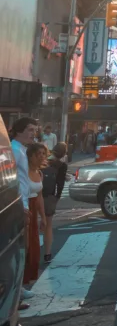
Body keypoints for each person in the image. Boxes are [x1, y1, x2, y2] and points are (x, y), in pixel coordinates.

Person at [9, 118, 36, 302]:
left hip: (23, 202)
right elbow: (10, 180)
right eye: (29, 129)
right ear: (18, 131)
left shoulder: (21, 149)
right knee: (19, 249)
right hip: (19, 205)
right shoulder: (15, 150)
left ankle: (18, 289)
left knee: (22, 249)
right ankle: (14, 294)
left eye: (35, 130)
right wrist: (20, 205)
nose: (33, 133)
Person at [23, 142, 47, 296]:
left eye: (44, 154)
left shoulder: (39, 173)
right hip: (24, 210)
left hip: (34, 211)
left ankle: (25, 282)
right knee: (24, 247)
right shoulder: (23, 172)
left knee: (34, 248)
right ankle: (20, 284)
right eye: (38, 154)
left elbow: (39, 197)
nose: (42, 157)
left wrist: (43, 217)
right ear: (30, 156)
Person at [41, 142, 68, 262]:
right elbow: (60, 184)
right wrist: (57, 197)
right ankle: (47, 254)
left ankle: (29, 252)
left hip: (36, 192)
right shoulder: (61, 165)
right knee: (48, 225)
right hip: (49, 196)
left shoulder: (43, 160)